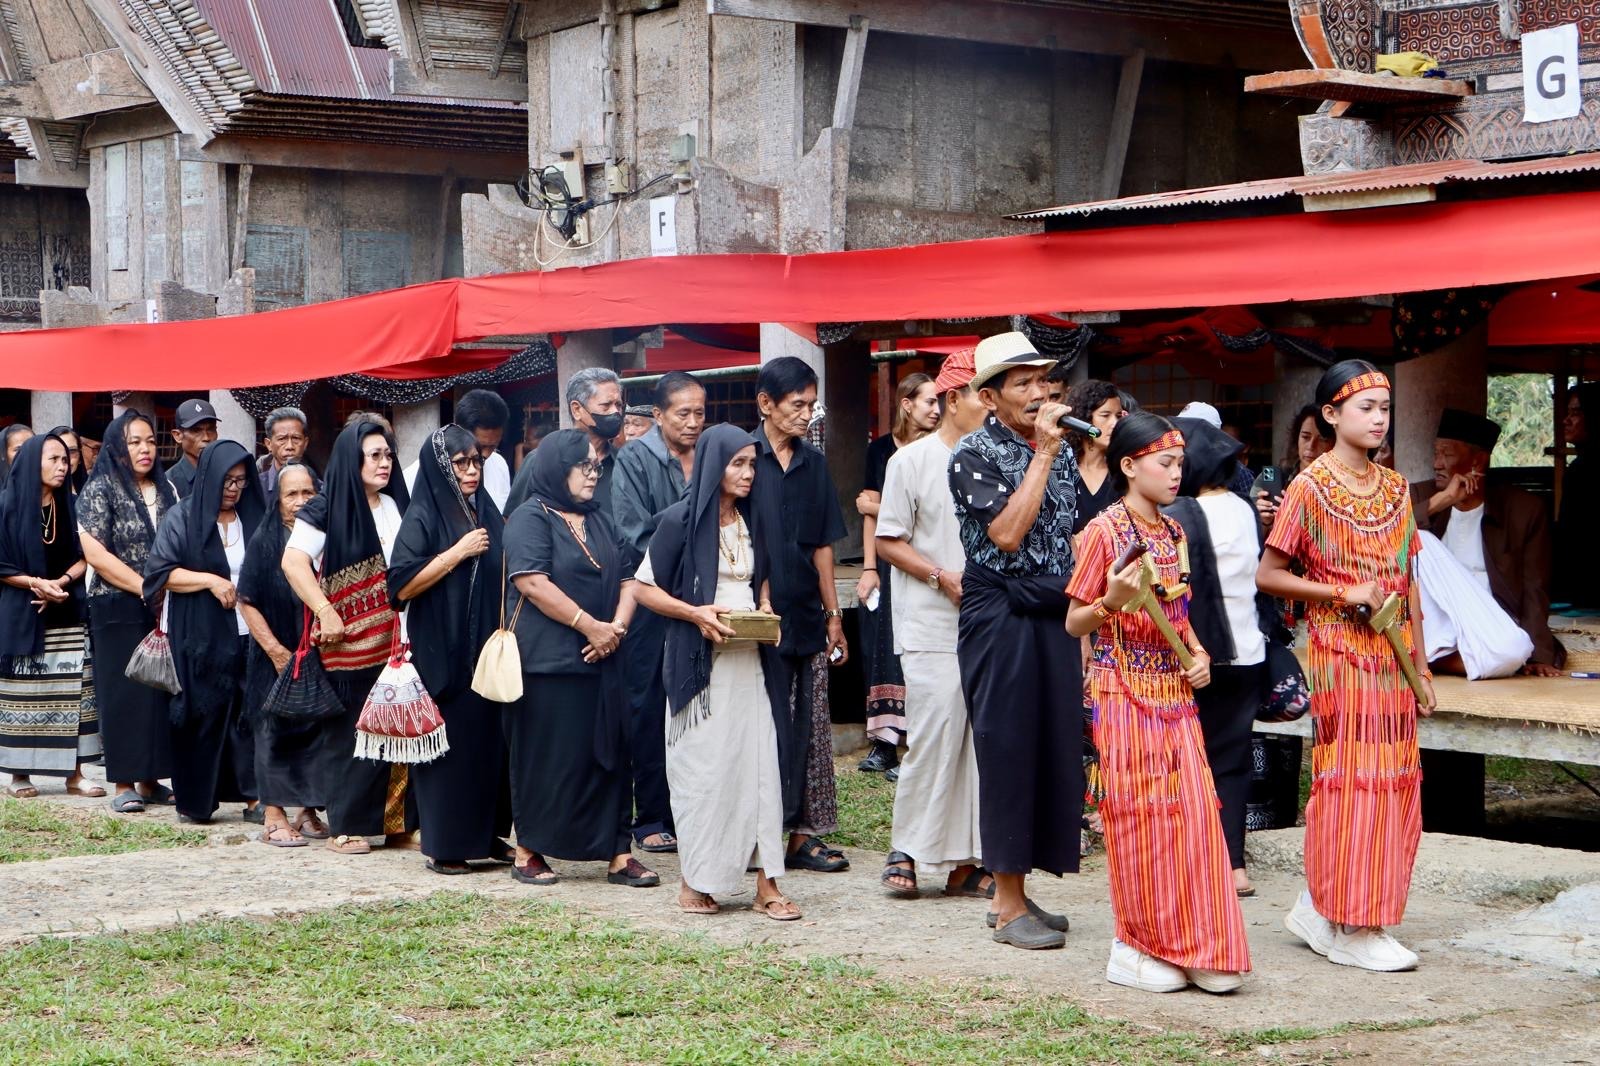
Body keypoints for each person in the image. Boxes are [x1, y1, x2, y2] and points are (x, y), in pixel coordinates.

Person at [1258, 359, 1435, 973]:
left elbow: (1408, 577)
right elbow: (1270, 574)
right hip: (1340, 653)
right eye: (1366, 408)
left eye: (1385, 408)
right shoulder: (1308, 487)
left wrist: (1420, 659)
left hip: (1392, 657)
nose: (1379, 419)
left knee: (1394, 780)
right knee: (1351, 781)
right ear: (1331, 414)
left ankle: (1330, 907)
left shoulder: (1396, 487)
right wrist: (1342, 594)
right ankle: (1350, 924)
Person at [1065, 413, 1251, 994]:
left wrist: (1198, 654)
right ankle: (1135, 944)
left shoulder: (1174, 533)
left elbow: (1180, 614)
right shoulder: (1104, 532)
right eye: (1165, 463)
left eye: (1179, 463)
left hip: (1175, 694)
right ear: (1128, 465)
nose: (1177, 473)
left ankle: (1196, 942)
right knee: (1141, 823)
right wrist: (1111, 604)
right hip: (1122, 691)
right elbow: (1074, 621)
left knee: (1193, 818)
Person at [633, 424, 803, 919]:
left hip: (752, 663)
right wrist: (697, 613)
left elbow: (761, 574)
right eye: (738, 464)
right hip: (699, 673)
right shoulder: (678, 521)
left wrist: (765, 604)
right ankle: (696, 880)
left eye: (753, 464)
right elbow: (644, 589)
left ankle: (767, 885)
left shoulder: (755, 518)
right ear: (714, 465)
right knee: (706, 771)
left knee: (760, 768)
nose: (749, 474)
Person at [949, 331, 1083, 949]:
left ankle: (1020, 888)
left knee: (1049, 744)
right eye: (1022, 383)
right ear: (989, 395)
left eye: (1042, 381)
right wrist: (1045, 455)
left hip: (1051, 606)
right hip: (999, 611)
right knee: (1007, 748)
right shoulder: (972, 453)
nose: (1039, 393)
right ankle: (1004, 904)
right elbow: (1006, 534)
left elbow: (1072, 533)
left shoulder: (1054, 452)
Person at [501, 429, 657, 888]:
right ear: (556, 469)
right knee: (548, 757)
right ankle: (529, 848)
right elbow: (531, 581)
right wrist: (590, 625)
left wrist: (616, 629)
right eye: (583, 467)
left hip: (605, 655)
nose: (593, 474)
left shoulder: (601, 519)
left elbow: (631, 578)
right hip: (550, 663)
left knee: (610, 754)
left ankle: (616, 852)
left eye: (596, 467)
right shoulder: (531, 516)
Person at [874, 349, 988, 899]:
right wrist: (941, 576)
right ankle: (908, 848)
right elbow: (887, 540)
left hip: (987, 620)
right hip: (930, 619)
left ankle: (967, 859)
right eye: (981, 397)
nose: (989, 407)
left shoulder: (996, 458)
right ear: (951, 401)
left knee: (976, 739)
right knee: (935, 731)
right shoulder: (910, 461)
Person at [281, 420, 411, 855]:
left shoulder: (394, 506)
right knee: (350, 737)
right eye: (374, 455)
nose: (383, 463)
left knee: (398, 731)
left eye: (388, 455)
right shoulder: (324, 509)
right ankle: (347, 826)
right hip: (347, 645)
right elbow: (294, 563)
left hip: (396, 639)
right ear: (351, 460)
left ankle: (398, 824)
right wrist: (326, 611)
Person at [1163, 417, 1276, 899]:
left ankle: (1193, 861)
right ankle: (1234, 867)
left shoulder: (1181, 513)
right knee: (1231, 762)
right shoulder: (1245, 510)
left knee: (1189, 760)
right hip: (1249, 652)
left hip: (1198, 656)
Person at [390, 425, 511, 874]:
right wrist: (457, 553)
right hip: (442, 649)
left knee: (486, 745)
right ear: (441, 466)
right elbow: (401, 585)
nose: (471, 471)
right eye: (460, 463)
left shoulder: (488, 510)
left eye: (476, 461)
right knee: (448, 750)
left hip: (484, 649)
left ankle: (486, 835)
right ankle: (446, 845)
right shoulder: (423, 515)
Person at [750, 356, 850, 874]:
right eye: (797, 405)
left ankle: (802, 835)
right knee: (763, 725)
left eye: (812, 405)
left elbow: (823, 548)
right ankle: (756, 834)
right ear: (766, 404)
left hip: (807, 616)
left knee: (809, 726)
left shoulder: (813, 465)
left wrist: (834, 615)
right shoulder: (743, 460)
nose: (807, 414)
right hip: (755, 621)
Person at [143, 439, 265, 824]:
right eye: (227, 480)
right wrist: (210, 581)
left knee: (247, 713)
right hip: (198, 633)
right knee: (200, 715)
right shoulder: (183, 517)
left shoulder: (251, 515)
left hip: (246, 630)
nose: (233, 489)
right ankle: (197, 800)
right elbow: (162, 573)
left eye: (241, 481)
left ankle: (252, 797)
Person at [613, 370, 706, 854]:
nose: (693, 423)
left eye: (699, 413)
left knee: (697, 702)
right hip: (649, 595)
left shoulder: (709, 455)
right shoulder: (634, 458)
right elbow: (633, 531)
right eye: (683, 414)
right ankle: (649, 815)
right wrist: (689, 551)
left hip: (702, 596)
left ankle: (693, 809)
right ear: (658, 415)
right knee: (648, 703)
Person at [77, 411, 178, 814]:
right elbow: (96, 554)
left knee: (157, 693)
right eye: (135, 441)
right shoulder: (100, 488)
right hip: (116, 605)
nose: (145, 449)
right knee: (123, 695)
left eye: (150, 441)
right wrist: (143, 587)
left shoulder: (166, 488)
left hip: (162, 606)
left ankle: (151, 778)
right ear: (118, 446)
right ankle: (123, 780)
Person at [1411, 410, 1561, 676]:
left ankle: (1428, 661)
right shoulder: (1421, 496)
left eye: (1447, 454)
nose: (1437, 463)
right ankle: (1449, 659)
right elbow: (1383, 538)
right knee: (1416, 538)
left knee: (1514, 648)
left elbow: (1534, 587)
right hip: (1434, 622)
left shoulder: (1523, 510)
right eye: (1435, 453)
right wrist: (1442, 501)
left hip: (1490, 621)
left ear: (1478, 462)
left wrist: (1540, 655)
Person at [0, 433, 101, 798]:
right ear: (31, 462)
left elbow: (89, 553)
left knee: (73, 693)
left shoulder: (72, 505)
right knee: (25, 696)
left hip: (67, 607)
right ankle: (20, 775)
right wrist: (34, 584)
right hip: (23, 610)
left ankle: (74, 774)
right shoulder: (6, 505)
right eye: (54, 459)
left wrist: (58, 582)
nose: (63, 466)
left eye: (65, 459)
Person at [238, 462, 329, 846]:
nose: (300, 501)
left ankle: (307, 810)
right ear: (277, 499)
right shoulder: (265, 540)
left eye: (308, 493)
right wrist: (275, 650)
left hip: (315, 651)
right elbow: (247, 600)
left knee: (312, 730)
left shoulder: (324, 537)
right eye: (291, 494)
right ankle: (274, 814)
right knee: (270, 729)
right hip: (273, 652)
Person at [855, 372, 941, 775]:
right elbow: (870, 513)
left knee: (924, 646)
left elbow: (875, 506)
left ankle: (918, 744)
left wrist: (877, 506)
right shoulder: (881, 451)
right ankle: (885, 742)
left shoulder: (942, 449)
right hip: (890, 559)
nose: (936, 410)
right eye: (929, 402)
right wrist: (870, 566)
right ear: (907, 404)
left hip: (927, 557)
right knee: (885, 644)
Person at [507, 368, 625, 517]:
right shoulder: (541, 459)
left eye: (619, 405)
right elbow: (514, 519)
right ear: (577, 409)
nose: (615, 412)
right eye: (606, 405)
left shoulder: (625, 463)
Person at [403, 390, 511, 514]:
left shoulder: (499, 465)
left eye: (493, 446)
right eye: (481, 446)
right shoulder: (417, 475)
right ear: (457, 430)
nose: (486, 455)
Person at [1062, 379, 1127, 533]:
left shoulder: (1125, 469)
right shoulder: (1061, 467)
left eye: (1118, 416)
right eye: (1105, 415)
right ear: (1083, 418)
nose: (1114, 423)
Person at [1556, 383, 1600, 608]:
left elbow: (1576, 536)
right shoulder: (1579, 467)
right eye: (1568, 413)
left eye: (1575, 413)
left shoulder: (1584, 471)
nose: (1566, 420)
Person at [1257, 404, 1330, 531]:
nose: (1311, 446)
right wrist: (1265, 522)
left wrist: (1296, 519)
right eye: (1305, 437)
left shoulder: (1338, 486)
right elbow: (1254, 545)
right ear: (1297, 437)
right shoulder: (1274, 477)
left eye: (1322, 439)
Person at [256, 407, 317, 496]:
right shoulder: (256, 489)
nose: (290, 446)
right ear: (269, 444)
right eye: (282, 439)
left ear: (305, 443)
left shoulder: (319, 488)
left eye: (296, 438)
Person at [167, 399, 219, 500]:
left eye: (211, 429)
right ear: (178, 435)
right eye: (196, 430)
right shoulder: (168, 483)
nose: (206, 437)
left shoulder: (227, 474)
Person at [45, 426, 87, 496]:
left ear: (80, 457)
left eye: (71, 451)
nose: (65, 457)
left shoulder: (91, 488)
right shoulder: (43, 497)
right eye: (57, 452)